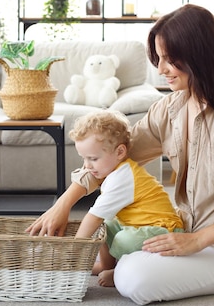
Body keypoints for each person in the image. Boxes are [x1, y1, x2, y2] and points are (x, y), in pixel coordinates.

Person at [26, 4, 214, 305]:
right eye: (158, 59)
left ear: (199, 55)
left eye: (169, 59)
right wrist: (65, 203)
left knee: (133, 279)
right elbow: (115, 156)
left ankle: (131, 268)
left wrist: (196, 241)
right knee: (125, 255)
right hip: (180, 236)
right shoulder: (170, 108)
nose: (161, 69)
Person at [69, 110, 183, 287]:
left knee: (123, 240)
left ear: (120, 152)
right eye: (84, 158)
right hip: (138, 225)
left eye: (92, 158)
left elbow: (93, 217)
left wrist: (73, 252)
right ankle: (106, 265)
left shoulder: (122, 177)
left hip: (163, 230)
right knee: (105, 227)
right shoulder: (115, 172)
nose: (87, 165)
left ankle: (119, 272)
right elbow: (100, 220)